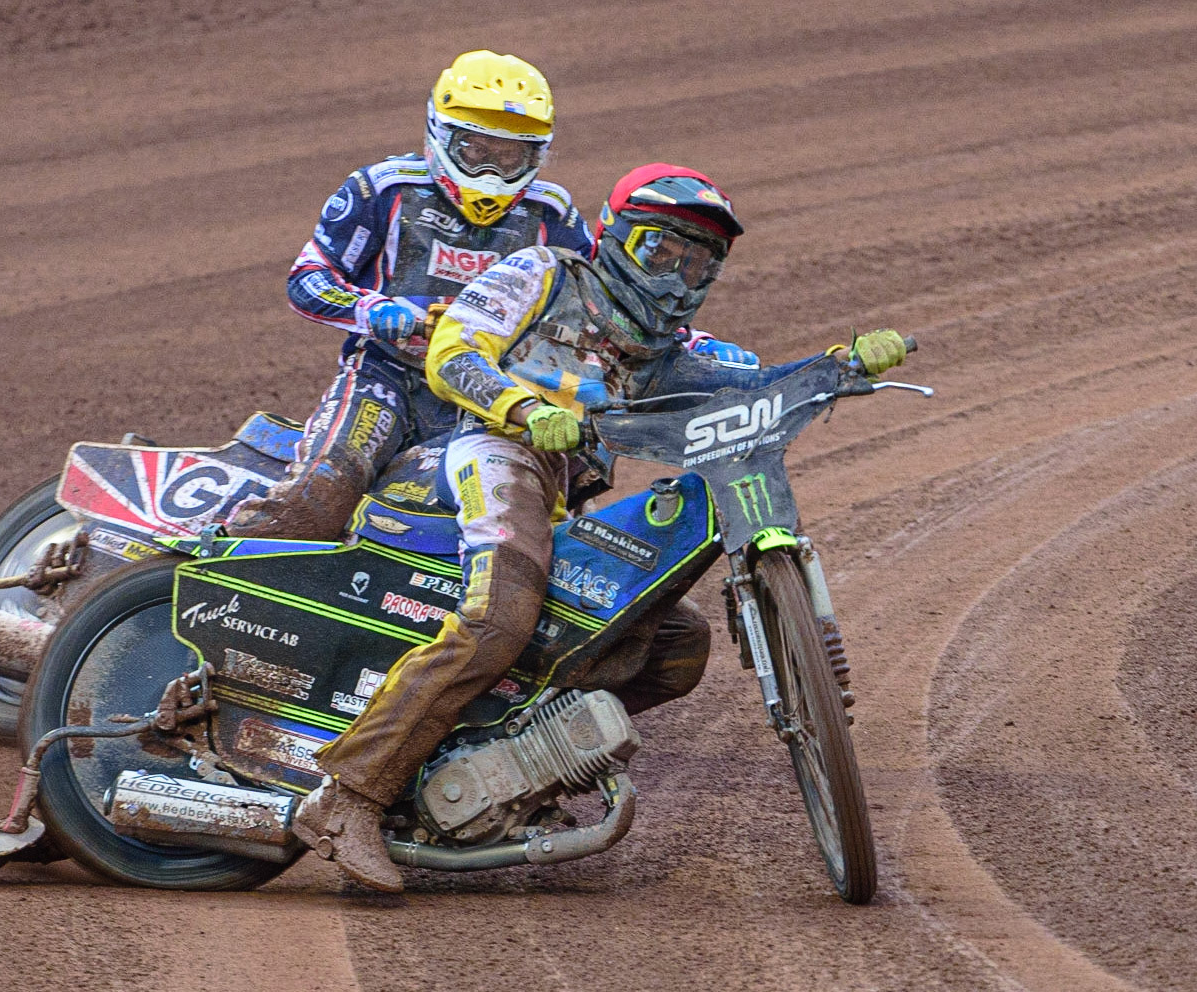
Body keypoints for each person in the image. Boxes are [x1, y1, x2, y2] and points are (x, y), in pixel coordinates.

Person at [291, 163, 910, 891]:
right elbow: (453, 350)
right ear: (615, 236)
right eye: (661, 252)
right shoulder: (545, 272)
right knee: (500, 619)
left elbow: (748, 389)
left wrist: (833, 367)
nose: (677, 277)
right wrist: (523, 410)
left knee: (676, 645)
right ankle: (348, 797)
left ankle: (512, 766)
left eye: (697, 262)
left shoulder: (661, 351)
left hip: (555, 496)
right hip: (489, 453)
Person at [226, 50, 594, 539]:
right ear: (440, 136)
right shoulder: (384, 189)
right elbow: (308, 277)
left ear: (536, 155)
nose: (491, 173)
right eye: (476, 150)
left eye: (509, 157)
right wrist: (371, 309)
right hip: (388, 375)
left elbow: (596, 307)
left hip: (489, 396)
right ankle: (217, 567)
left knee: (528, 523)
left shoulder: (553, 215)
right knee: (322, 491)